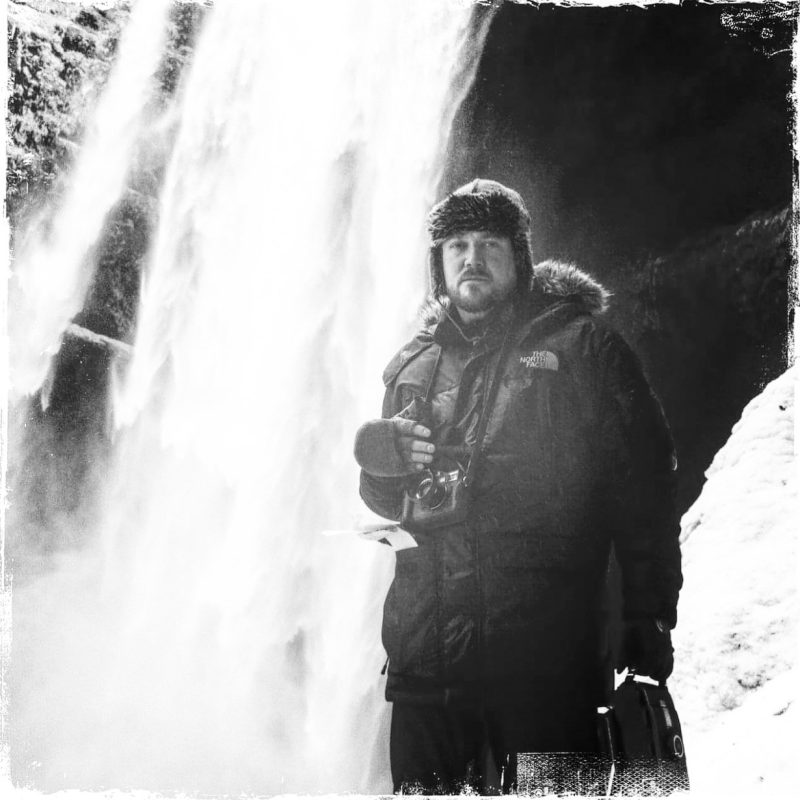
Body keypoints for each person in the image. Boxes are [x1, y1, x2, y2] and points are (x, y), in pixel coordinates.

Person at [354, 179, 682, 794]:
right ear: (439, 262)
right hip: (424, 666)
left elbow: (644, 491)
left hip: (543, 663)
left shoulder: (585, 349)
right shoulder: (411, 367)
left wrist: (649, 615)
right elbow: (391, 508)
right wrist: (378, 466)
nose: (471, 259)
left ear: (520, 257)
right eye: (457, 246)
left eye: (489, 244)